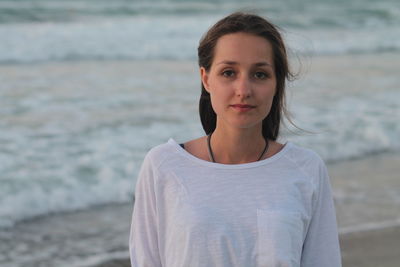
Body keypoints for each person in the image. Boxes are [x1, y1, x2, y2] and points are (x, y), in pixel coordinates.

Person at [129, 12, 342, 267]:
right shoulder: (164, 165)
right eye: (229, 72)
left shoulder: (306, 169)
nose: (244, 90)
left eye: (260, 74)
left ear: (277, 84)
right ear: (206, 79)